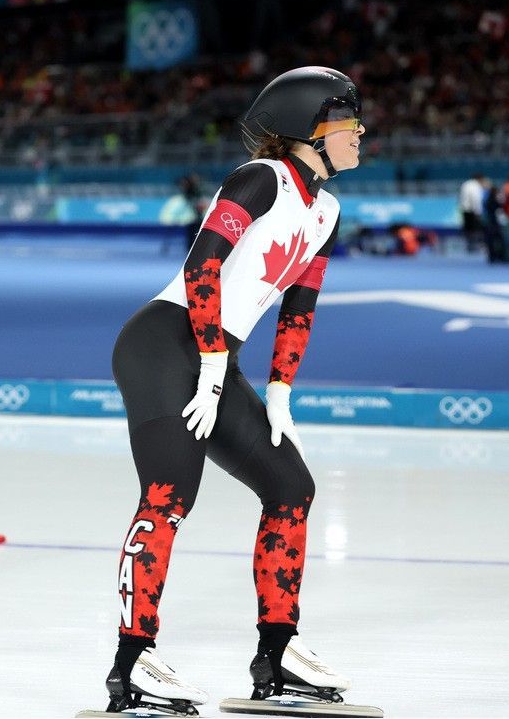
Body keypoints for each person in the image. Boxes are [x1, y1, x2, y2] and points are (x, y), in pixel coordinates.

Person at [101, 67, 364, 715]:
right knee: (169, 494)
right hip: (164, 344)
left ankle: (275, 654)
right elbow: (202, 267)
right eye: (347, 120)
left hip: (219, 358)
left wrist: (279, 391)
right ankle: (131, 662)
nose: (360, 132)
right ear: (310, 125)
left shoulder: (327, 213)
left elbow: (300, 309)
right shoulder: (260, 179)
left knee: (291, 487)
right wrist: (214, 357)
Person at [481, 177, 507, 263]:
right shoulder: (494, 201)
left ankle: (493, 257)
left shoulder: (487, 200)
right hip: (494, 224)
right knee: (499, 240)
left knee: (492, 241)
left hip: (490, 223)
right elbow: (500, 210)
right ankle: (500, 256)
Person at [458, 173, 486, 253]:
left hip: (464, 209)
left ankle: (469, 246)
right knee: (475, 229)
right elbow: (475, 199)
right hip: (472, 210)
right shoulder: (475, 186)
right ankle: (475, 246)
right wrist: (477, 211)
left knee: (467, 229)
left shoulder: (465, 184)